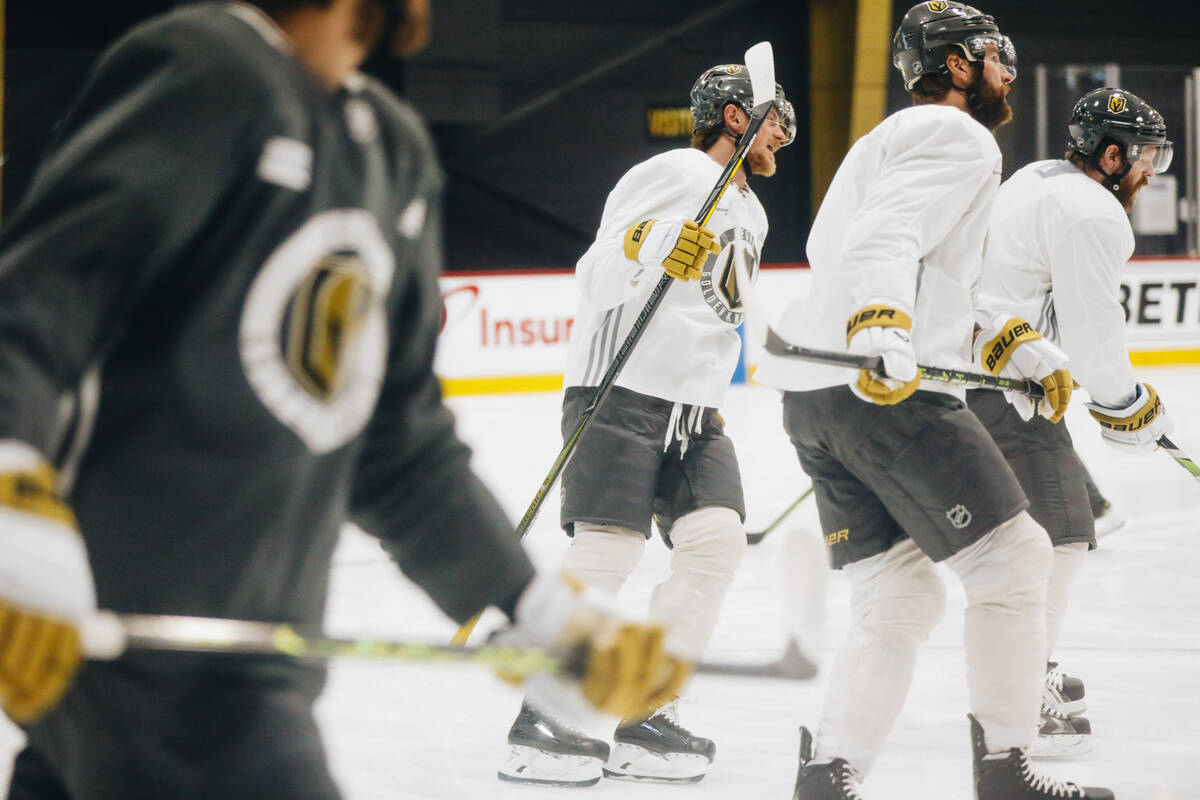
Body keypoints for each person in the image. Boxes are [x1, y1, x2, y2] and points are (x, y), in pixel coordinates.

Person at [0, 2, 691, 798]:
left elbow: (398, 450)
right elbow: (35, 305)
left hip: (246, 658)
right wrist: (17, 504)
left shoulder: (392, 151)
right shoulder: (209, 69)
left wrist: (530, 605)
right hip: (140, 656)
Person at [754, 3, 1114, 798]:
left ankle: (830, 773)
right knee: (1017, 559)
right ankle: (1006, 773)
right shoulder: (959, 136)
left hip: (819, 396)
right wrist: (883, 326)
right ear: (955, 64)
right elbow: (882, 240)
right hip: (875, 384)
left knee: (899, 592)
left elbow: (930, 276)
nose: (1007, 71)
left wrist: (1018, 347)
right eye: (994, 55)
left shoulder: (885, 140)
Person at [497, 62, 796, 787]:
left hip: (694, 409)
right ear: (735, 116)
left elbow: (725, 308)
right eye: (776, 119)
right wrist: (650, 244)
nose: (784, 136)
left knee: (716, 544)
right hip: (621, 389)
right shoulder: (675, 170)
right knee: (607, 553)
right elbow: (596, 271)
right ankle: (545, 715)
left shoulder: (751, 212)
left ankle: (649, 711)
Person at [969, 86, 1175, 757]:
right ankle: (1020, 694)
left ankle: (1029, 666)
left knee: (1043, 537)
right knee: (1059, 540)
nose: (1150, 171)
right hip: (1005, 386)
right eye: (1144, 156)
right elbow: (1092, 336)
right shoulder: (1095, 213)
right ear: (1110, 155)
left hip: (990, 371)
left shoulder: (1038, 175)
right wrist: (1127, 404)